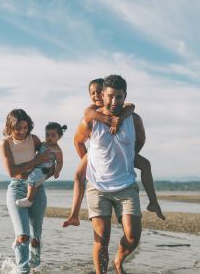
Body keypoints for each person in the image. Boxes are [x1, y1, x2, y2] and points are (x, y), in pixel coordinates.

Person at [66, 75, 146, 274]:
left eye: (119, 97)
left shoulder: (132, 118)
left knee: (133, 236)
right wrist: (89, 159)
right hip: (97, 186)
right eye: (110, 96)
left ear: (124, 96)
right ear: (103, 95)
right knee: (101, 238)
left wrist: (127, 155)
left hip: (125, 183)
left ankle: (118, 261)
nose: (114, 101)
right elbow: (77, 141)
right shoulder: (90, 120)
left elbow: (140, 140)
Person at [63, 78, 164, 229]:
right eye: (93, 93)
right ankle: (74, 214)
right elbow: (85, 120)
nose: (96, 96)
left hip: (121, 154)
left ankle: (153, 201)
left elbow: (131, 107)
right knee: (78, 175)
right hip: (96, 154)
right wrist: (107, 120)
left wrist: (129, 154)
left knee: (145, 164)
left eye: (98, 92)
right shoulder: (91, 111)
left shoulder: (125, 110)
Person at [0, 109, 54, 274]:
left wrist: (51, 170)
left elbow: (50, 155)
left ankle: (35, 268)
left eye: (25, 127)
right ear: (10, 127)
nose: (22, 131)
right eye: (18, 128)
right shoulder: (5, 143)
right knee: (23, 235)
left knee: (35, 237)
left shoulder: (34, 139)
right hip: (16, 188)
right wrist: (36, 161)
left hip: (37, 188)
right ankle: (22, 270)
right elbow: (12, 171)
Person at [16, 122, 67, 208]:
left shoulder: (57, 150)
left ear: (59, 137)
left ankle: (29, 200)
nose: (49, 137)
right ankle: (28, 194)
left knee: (34, 177)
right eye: (47, 135)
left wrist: (57, 171)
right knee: (31, 178)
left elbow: (59, 162)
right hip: (37, 165)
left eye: (53, 136)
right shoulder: (43, 144)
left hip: (44, 168)